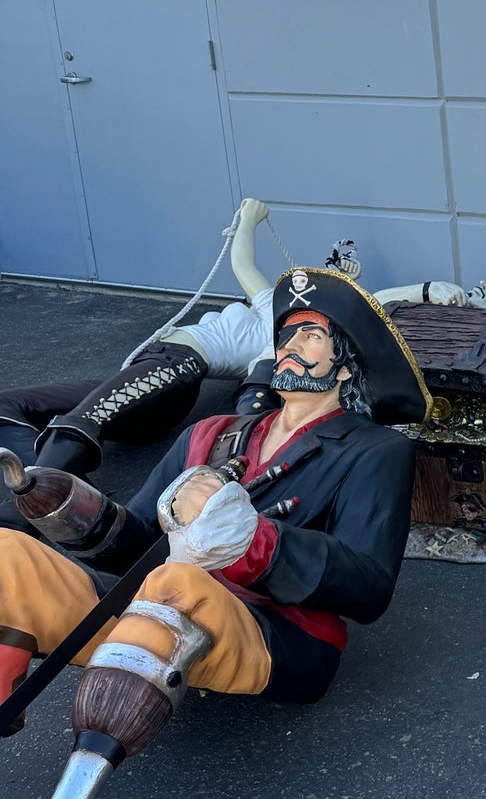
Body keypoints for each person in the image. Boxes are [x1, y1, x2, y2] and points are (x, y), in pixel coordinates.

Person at [0, 266, 432, 736]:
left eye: (311, 336)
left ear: (346, 365)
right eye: (286, 336)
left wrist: (252, 542)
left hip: (279, 634)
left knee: (178, 583)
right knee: (9, 555)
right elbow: (143, 547)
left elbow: (367, 590)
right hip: (155, 601)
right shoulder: (210, 433)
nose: (288, 346)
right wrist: (74, 510)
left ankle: (85, 769)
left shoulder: (375, 449)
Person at [0, 197, 486, 480]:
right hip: (182, 361)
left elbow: (379, 305)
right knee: (154, 383)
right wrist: (249, 218)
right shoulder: (272, 297)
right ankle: (44, 480)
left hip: (190, 399)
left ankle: (235, 476)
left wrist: (432, 290)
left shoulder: (324, 331)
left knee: (263, 386)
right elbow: (243, 262)